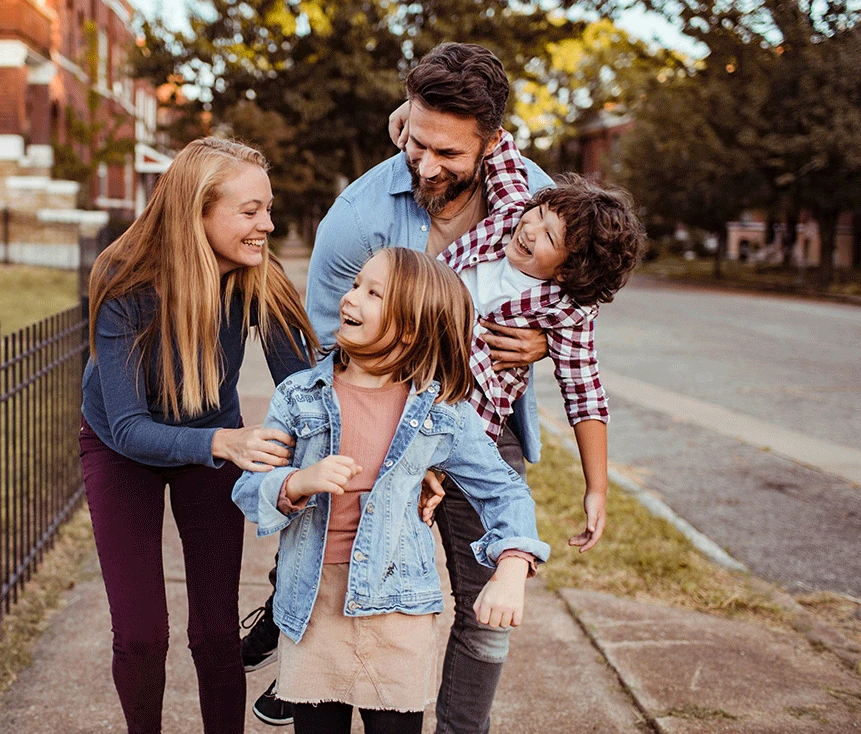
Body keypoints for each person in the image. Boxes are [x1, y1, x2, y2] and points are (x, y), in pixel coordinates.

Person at [245, 43, 555, 732]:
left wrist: (547, 339)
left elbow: (581, 279)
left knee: (482, 612)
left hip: (480, 419)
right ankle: (300, 657)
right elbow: (325, 347)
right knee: (340, 548)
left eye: (449, 153)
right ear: (401, 122)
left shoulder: (533, 198)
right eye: (417, 143)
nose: (427, 165)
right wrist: (382, 445)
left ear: (494, 143)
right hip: (378, 412)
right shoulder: (355, 217)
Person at [232, 248, 551, 734]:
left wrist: (511, 566)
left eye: (372, 292)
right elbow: (247, 486)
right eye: (356, 284)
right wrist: (296, 482)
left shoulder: (440, 410)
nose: (351, 297)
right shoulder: (298, 395)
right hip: (313, 604)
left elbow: (504, 491)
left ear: (408, 327)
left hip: (399, 605)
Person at [79, 137, 318, 734]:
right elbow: (132, 428)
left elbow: (307, 395)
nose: (266, 224)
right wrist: (227, 443)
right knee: (140, 634)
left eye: (268, 207)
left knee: (214, 630)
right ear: (198, 211)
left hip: (210, 442)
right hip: (119, 447)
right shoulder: (126, 276)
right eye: (250, 210)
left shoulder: (255, 273)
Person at [438, 173, 647, 552]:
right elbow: (497, 146)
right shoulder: (510, 215)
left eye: (549, 237)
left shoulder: (567, 312)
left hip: (473, 427)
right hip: (408, 394)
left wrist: (597, 488)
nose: (531, 229)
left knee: (489, 556)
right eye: (540, 214)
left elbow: (584, 394)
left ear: (567, 270)